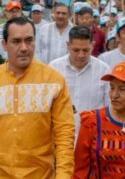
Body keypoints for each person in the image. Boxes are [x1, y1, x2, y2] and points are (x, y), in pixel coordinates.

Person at [0, 17, 75, 177]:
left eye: (29, 40)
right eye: (16, 41)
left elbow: (64, 136)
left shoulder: (54, 81)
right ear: (4, 45)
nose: (24, 47)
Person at [49, 26, 110, 136]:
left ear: (92, 45)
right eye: (76, 50)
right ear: (68, 45)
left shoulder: (103, 70)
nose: (81, 55)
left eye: (85, 50)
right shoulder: (54, 69)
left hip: (93, 136)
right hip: (60, 136)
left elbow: (109, 107)